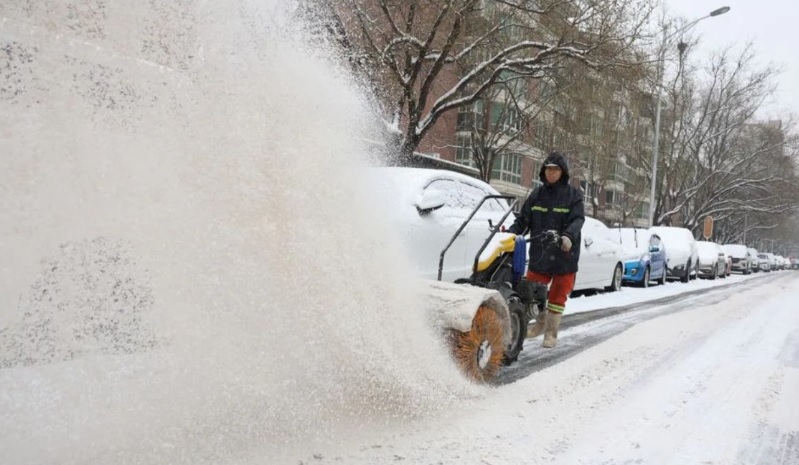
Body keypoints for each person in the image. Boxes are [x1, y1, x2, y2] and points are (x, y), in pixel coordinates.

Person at [507, 151, 585, 348]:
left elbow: (577, 220)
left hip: (564, 254)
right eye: (548, 169)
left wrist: (567, 236)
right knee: (533, 292)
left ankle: (551, 333)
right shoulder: (537, 195)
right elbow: (524, 220)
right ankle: (539, 324)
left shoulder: (572, 196)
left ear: (562, 172)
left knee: (557, 296)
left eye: (555, 170)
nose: (551, 173)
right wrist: (510, 235)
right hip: (540, 253)